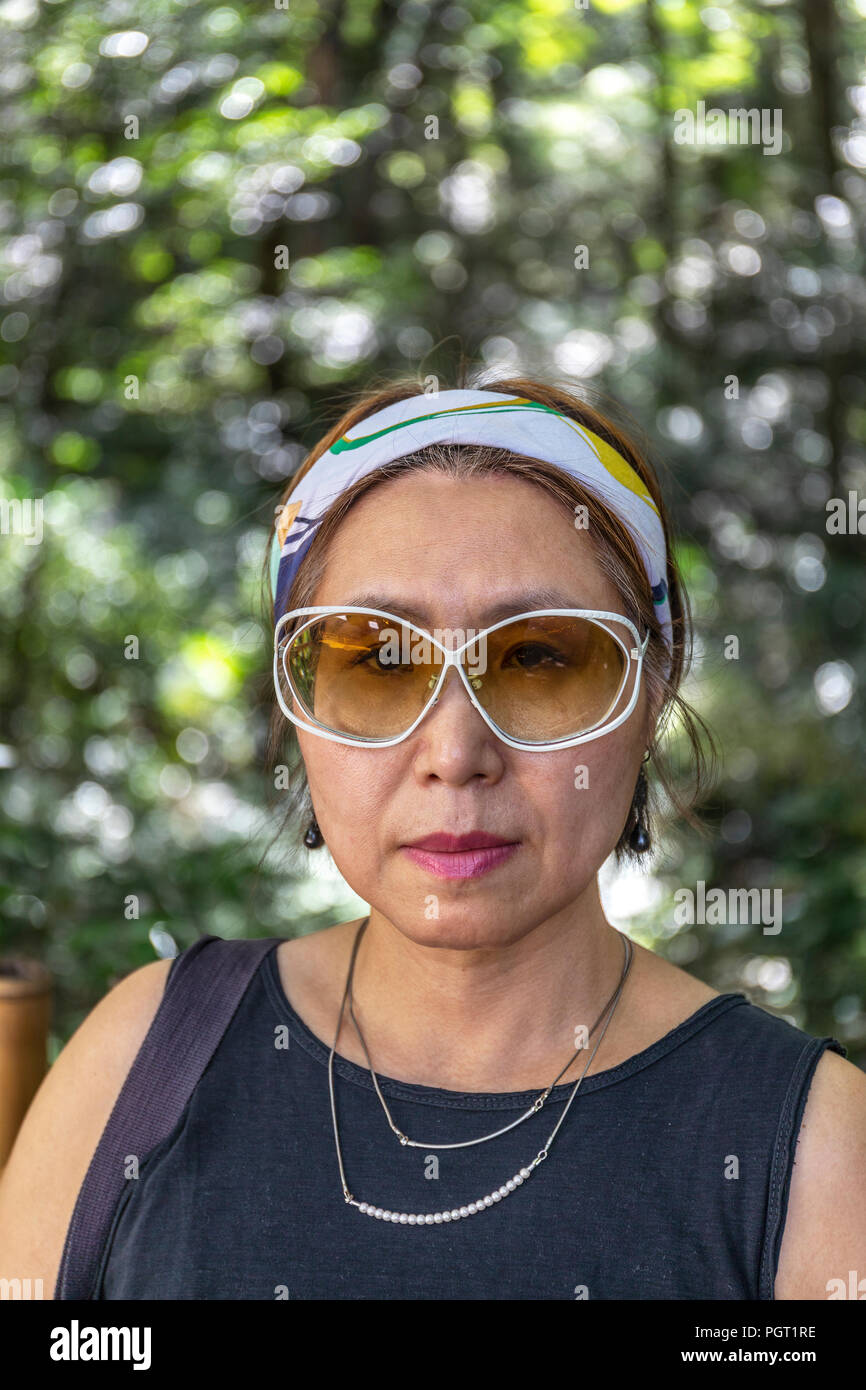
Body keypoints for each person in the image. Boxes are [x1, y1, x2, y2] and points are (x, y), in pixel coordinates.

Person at [1, 377, 864, 1300]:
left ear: (652, 691)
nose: (455, 754)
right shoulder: (146, 1056)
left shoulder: (812, 1151)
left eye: (538, 656)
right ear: (302, 709)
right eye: (378, 658)